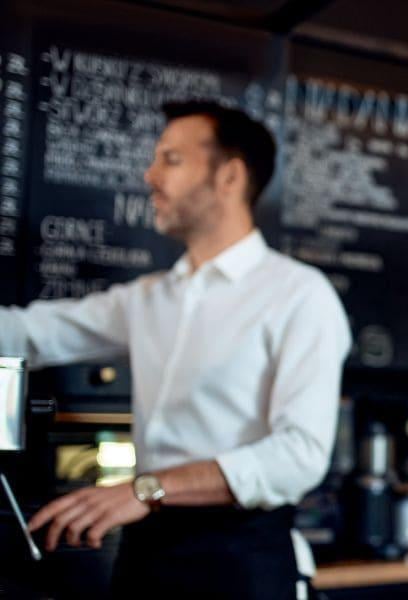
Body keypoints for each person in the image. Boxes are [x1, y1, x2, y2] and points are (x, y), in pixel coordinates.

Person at [1, 100, 351, 598]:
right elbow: (27, 333)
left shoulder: (299, 294)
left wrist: (147, 489)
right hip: (146, 554)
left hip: (242, 559)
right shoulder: (148, 298)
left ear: (229, 176)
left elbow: (300, 455)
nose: (149, 175)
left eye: (171, 159)